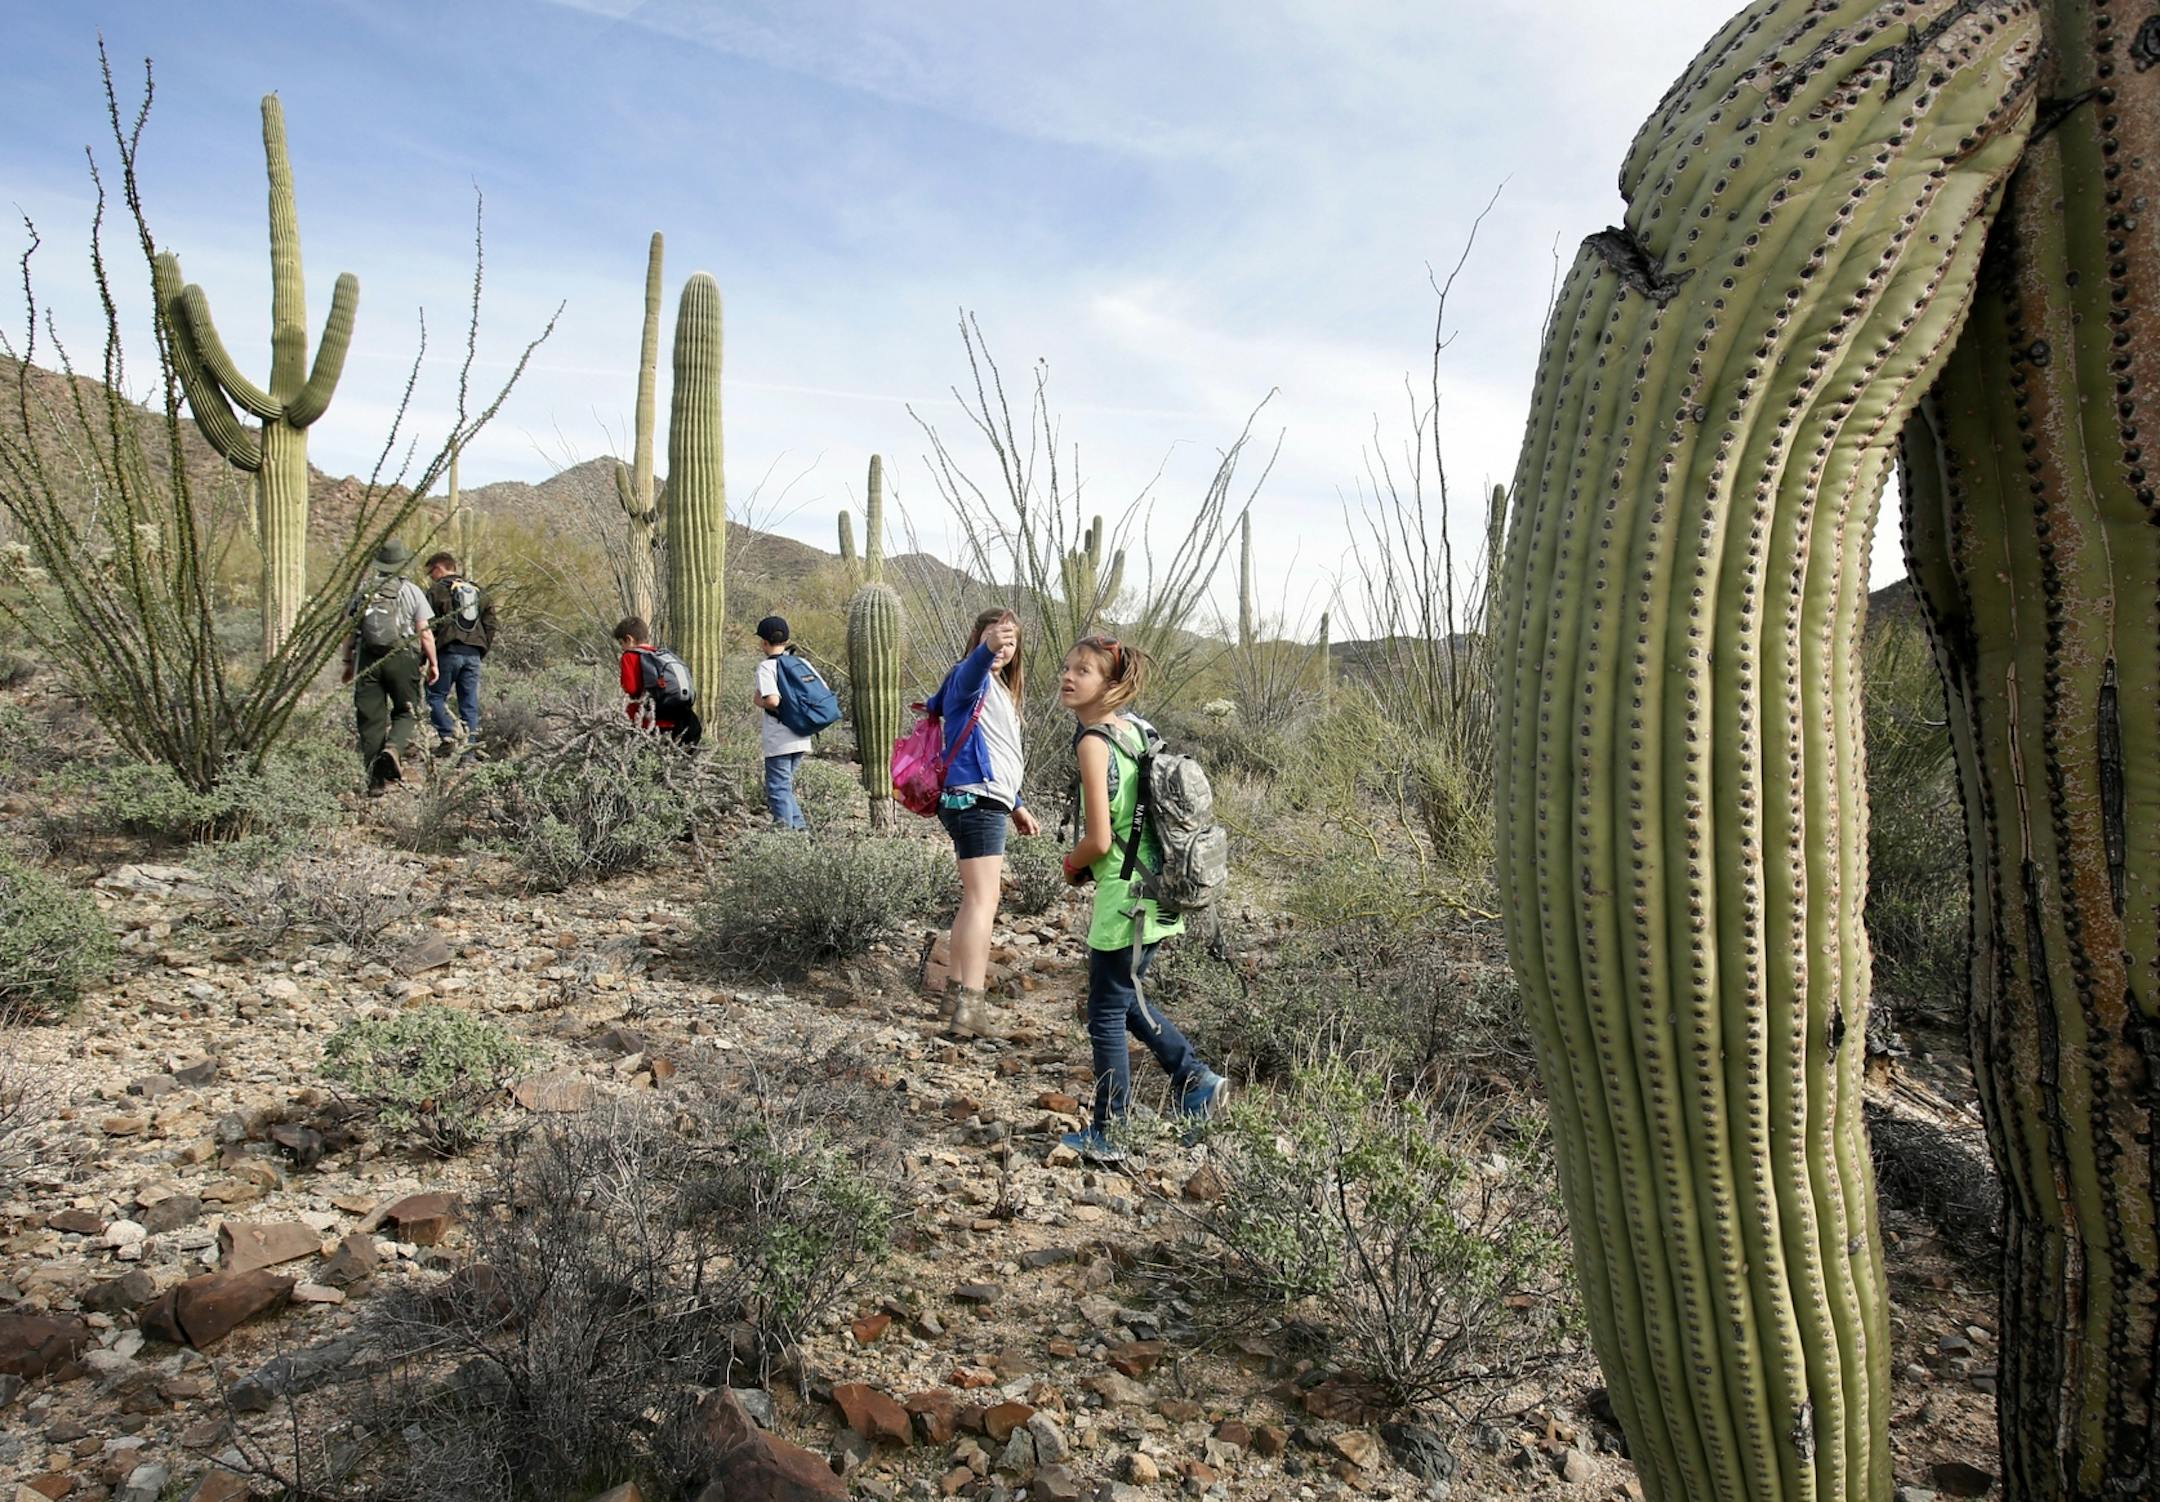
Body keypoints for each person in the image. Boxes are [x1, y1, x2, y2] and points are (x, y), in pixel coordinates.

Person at [1055, 634, 1227, 1163]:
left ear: (1110, 685)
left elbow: (1100, 839)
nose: (1068, 676)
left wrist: (1073, 863)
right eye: (1067, 666)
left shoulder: (1094, 742)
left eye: (1083, 671)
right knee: (1124, 999)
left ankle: (1111, 1130)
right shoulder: (1138, 731)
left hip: (1126, 899)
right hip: (1158, 890)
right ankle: (1194, 1078)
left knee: (1105, 1011)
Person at [925, 607, 1040, 1038]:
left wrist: (1018, 804)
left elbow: (996, 755)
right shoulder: (967, 678)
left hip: (983, 798)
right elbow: (973, 669)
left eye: (1010, 643)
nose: (1002, 648)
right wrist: (988, 647)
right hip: (976, 800)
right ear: (978, 638)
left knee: (973, 899)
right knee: (982, 902)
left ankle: (954, 997)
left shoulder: (999, 691)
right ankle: (971, 1007)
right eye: (995, 639)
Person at [342, 540, 440, 797]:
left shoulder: (363, 591)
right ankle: (394, 748)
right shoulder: (412, 591)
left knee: (370, 720)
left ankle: (375, 782)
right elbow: (425, 632)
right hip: (403, 657)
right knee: (407, 710)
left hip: (367, 660)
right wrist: (433, 663)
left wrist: (347, 663)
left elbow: (349, 633)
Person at [422, 550, 496, 763]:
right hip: (473, 654)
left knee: (435, 697)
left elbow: (427, 627)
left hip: (448, 652)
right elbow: (491, 624)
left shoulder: (436, 591)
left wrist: (425, 658)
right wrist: (481, 649)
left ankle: (448, 736)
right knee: (469, 702)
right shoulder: (479, 590)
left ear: (439, 568)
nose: (431, 577)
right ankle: (468, 754)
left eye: (431, 572)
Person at [751, 615, 814, 830]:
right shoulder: (802, 662)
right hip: (802, 735)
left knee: (778, 790)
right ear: (786, 640)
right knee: (784, 789)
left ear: (764, 642)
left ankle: (786, 841)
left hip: (780, 739)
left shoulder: (767, 667)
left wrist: (759, 701)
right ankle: (801, 835)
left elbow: (772, 700)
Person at [613, 617, 703, 746]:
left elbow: (631, 688)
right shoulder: (662, 655)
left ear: (629, 639)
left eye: (622, 643)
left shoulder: (630, 656)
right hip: (678, 720)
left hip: (647, 722)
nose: (622, 648)